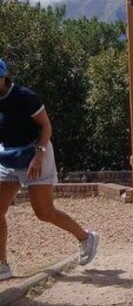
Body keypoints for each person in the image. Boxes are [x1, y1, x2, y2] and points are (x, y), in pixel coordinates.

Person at [0, 58, 99, 280]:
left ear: (3, 77)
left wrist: (39, 156)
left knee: (44, 213)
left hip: (36, 153)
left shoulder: (25, 97)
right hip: (8, 157)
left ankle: (85, 237)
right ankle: (2, 265)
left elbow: (46, 126)